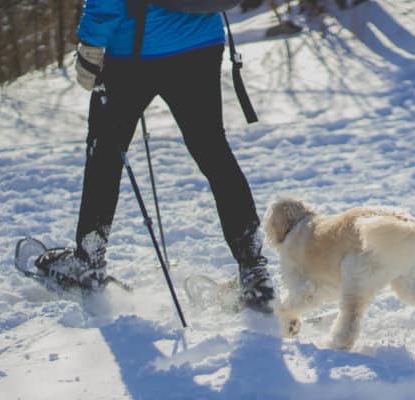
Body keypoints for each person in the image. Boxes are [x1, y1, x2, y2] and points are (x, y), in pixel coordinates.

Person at [36, 0, 274, 312]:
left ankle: (88, 261)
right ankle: (254, 270)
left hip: (133, 51)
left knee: (105, 156)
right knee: (213, 151)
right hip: (201, 41)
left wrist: (92, 42)